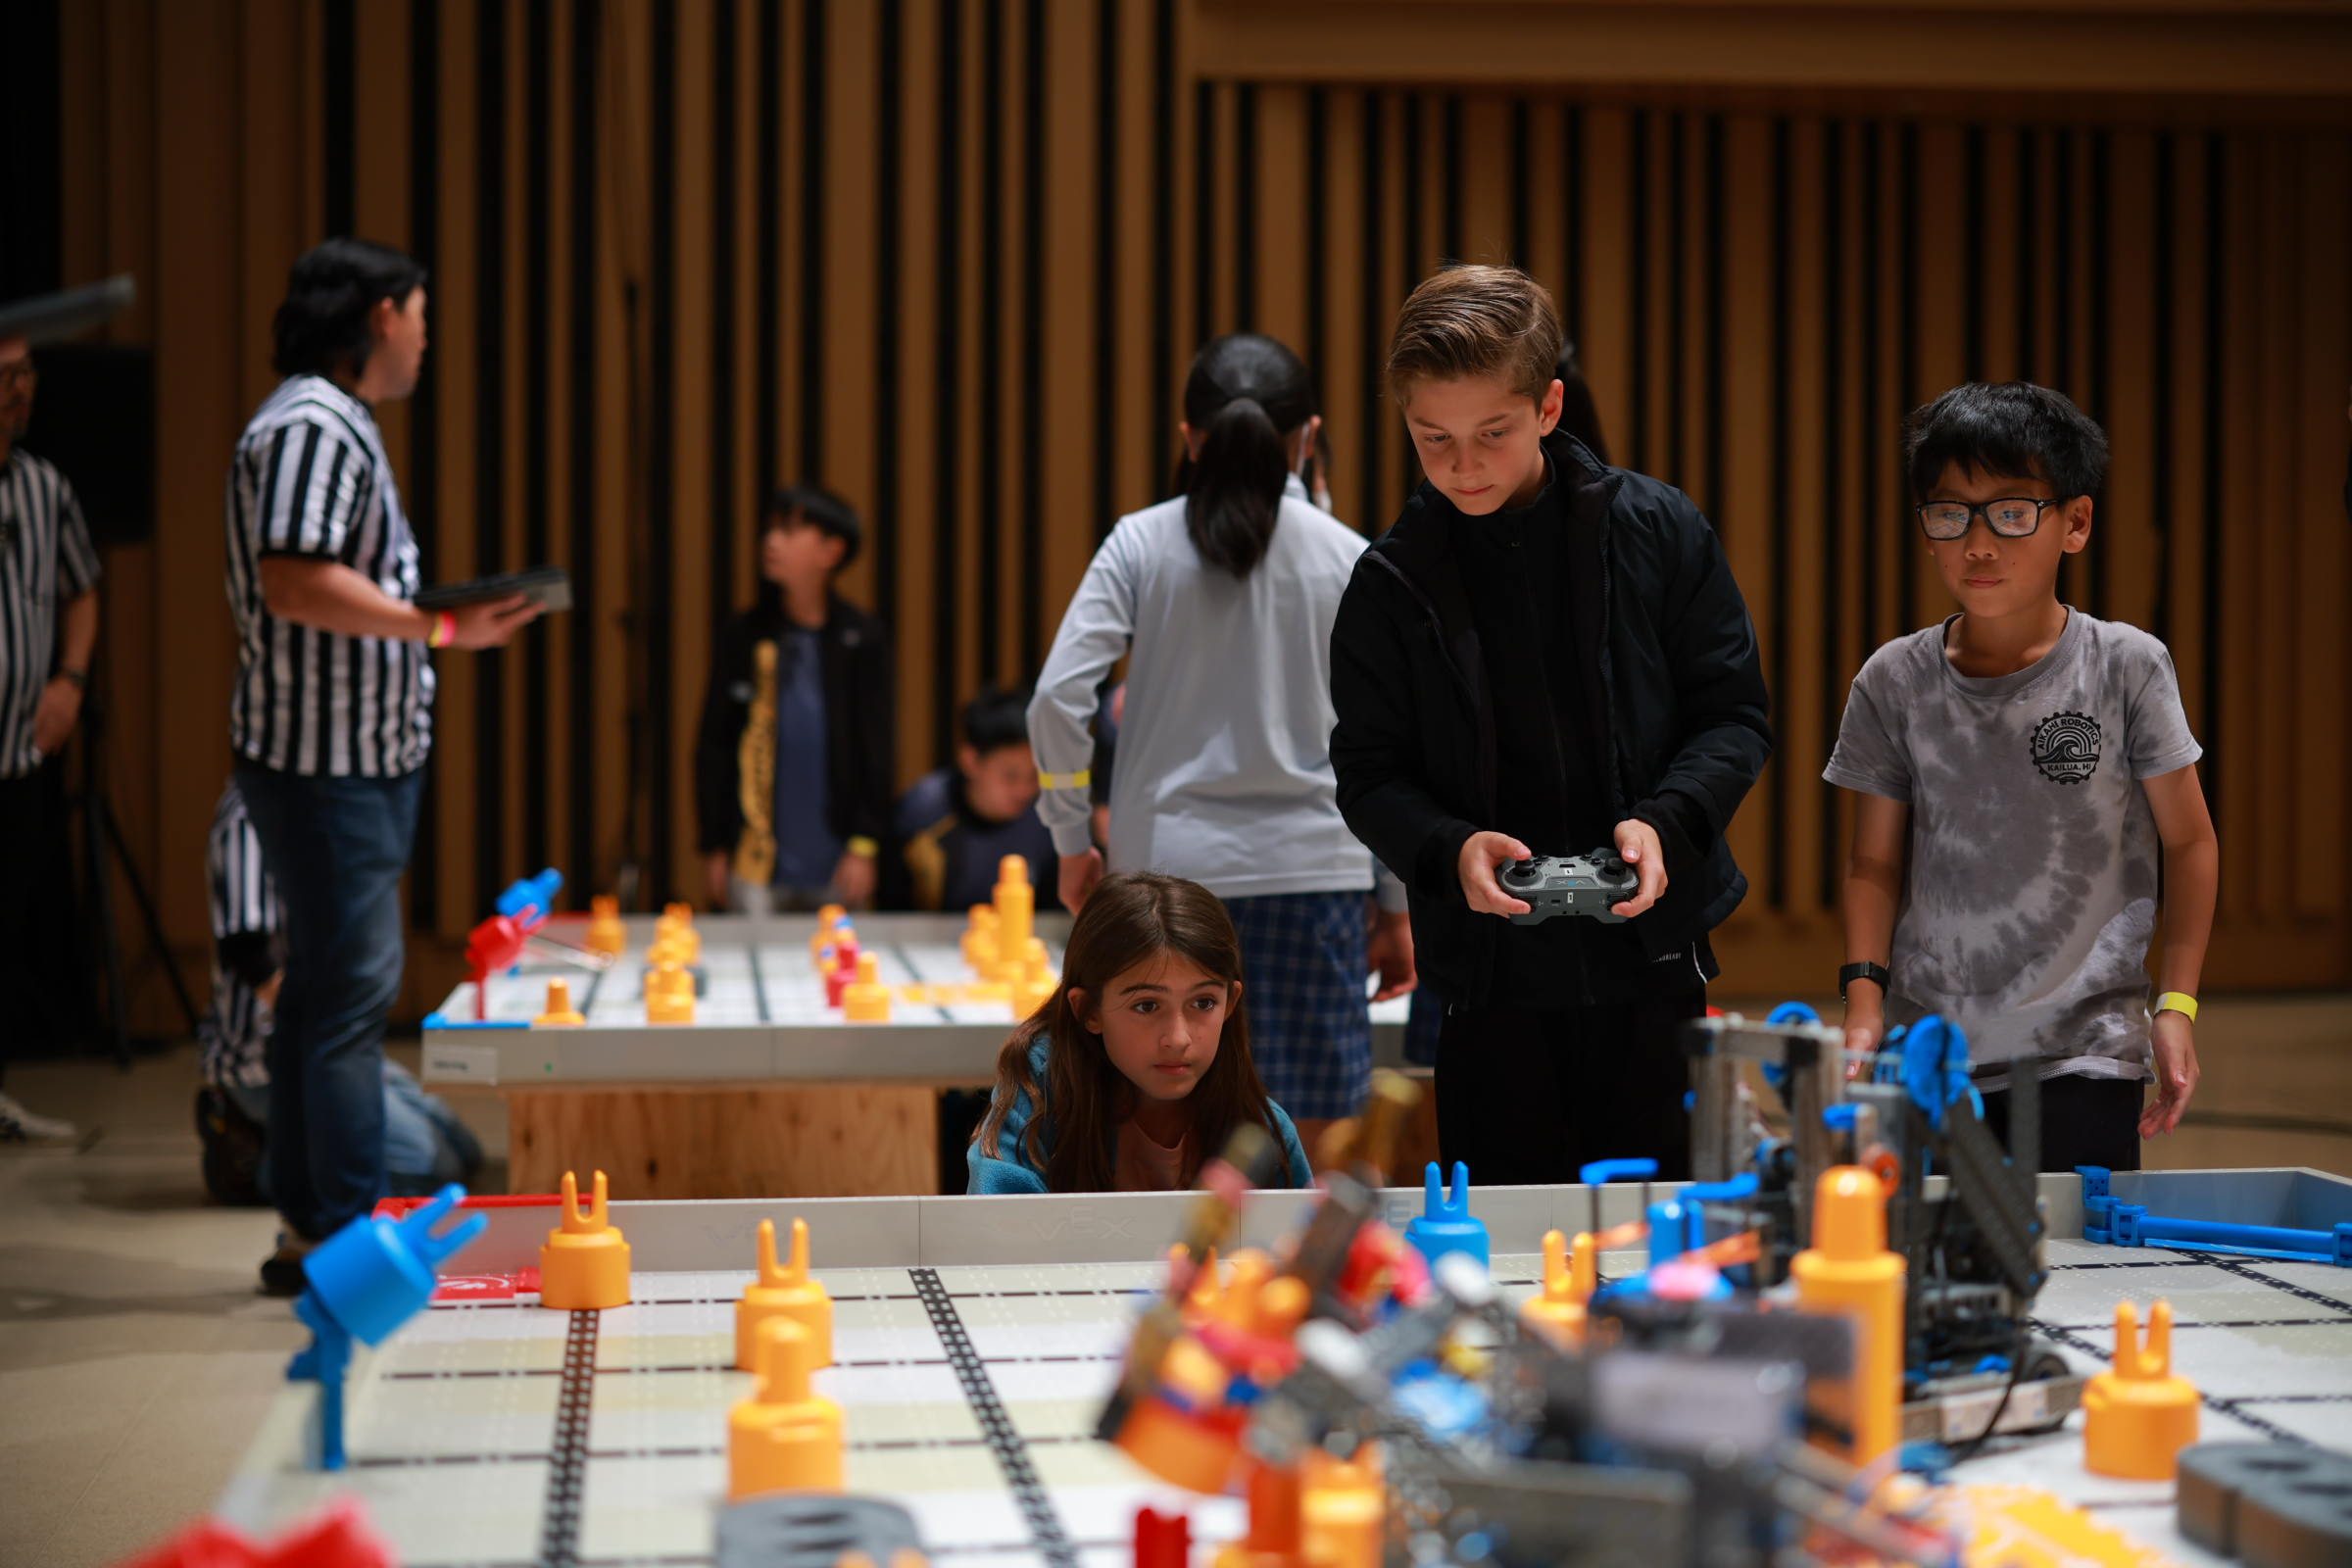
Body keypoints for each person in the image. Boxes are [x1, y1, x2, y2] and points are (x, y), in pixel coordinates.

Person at [1329, 264, 1772, 1186]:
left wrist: (1667, 822)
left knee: (1659, 1243)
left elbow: (1733, 715)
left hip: (1651, 956)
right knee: (1501, 1245)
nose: (1462, 465)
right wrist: (1450, 848)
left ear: (1549, 406)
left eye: (1491, 433)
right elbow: (1369, 773)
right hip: (1489, 978)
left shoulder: (1657, 530)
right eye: (1432, 438)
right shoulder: (1390, 583)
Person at [226, 238, 540, 1293]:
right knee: (350, 1000)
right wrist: (439, 632)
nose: (424, 335)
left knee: (323, 995)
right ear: (376, 317)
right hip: (328, 766)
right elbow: (294, 580)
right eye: (417, 312)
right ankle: (346, 1233)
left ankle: (313, 1227)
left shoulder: (317, 418)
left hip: (334, 759)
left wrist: (438, 622)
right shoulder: (316, 420)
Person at [1029, 333, 1412, 1154]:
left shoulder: (1139, 543)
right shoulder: (1350, 557)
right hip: (1316, 879)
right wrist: (1394, 900)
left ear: (1188, 435)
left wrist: (1071, 837)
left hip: (1165, 879)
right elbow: (1389, 741)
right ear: (1306, 436)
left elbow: (1059, 698)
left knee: (1160, 1132)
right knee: (1293, 1150)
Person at [1827, 382, 2215, 1171]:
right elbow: (1873, 863)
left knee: (2071, 1274)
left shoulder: (2127, 667)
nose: (1978, 543)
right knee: (1928, 1275)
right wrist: (1864, 1004)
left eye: (2010, 512)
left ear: (2075, 523)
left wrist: (2176, 1004)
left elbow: (2192, 842)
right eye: (1950, 513)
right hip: (1929, 1051)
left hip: (2084, 1050)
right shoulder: (1892, 680)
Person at [195, 779, 481, 1205]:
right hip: (270, 1055)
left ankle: (294, 1147)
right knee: (433, 1170)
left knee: (464, 1152)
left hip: (337, 1032)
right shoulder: (249, 812)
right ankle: (264, 1164)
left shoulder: (329, 797)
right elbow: (246, 947)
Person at [967, 871, 1312, 1194]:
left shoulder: (1262, 1128)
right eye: (1147, 1006)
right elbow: (997, 1227)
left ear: (1231, 1003)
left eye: (1204, 1003)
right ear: (1088, 1010)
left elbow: (1301, 1254)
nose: (1178, 1039)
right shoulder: (1038, 1097)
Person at [695, 485, 894, 915]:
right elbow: (716, 742)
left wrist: (865, 844)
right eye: (770, 530)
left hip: (838, 857)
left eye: (789, 531)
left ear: (831, 550)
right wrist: (714, 843)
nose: (771, 542)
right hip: (754, 857)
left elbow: (875, 749)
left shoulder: (861, 637)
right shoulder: (745, 634)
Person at [0, 332, 99, 1143]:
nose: (17, 389)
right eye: (1, 375)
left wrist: (68, 682)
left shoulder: (44, 488)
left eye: (25, 372)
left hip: (19, 750)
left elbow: (83, 590)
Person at [889, 686, 1059, 913]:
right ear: (970, 761)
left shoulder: (1049, 817)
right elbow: (895, 907)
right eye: (1011, 776)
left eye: (1034, 776)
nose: (1024, 790)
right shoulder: (923, 810)